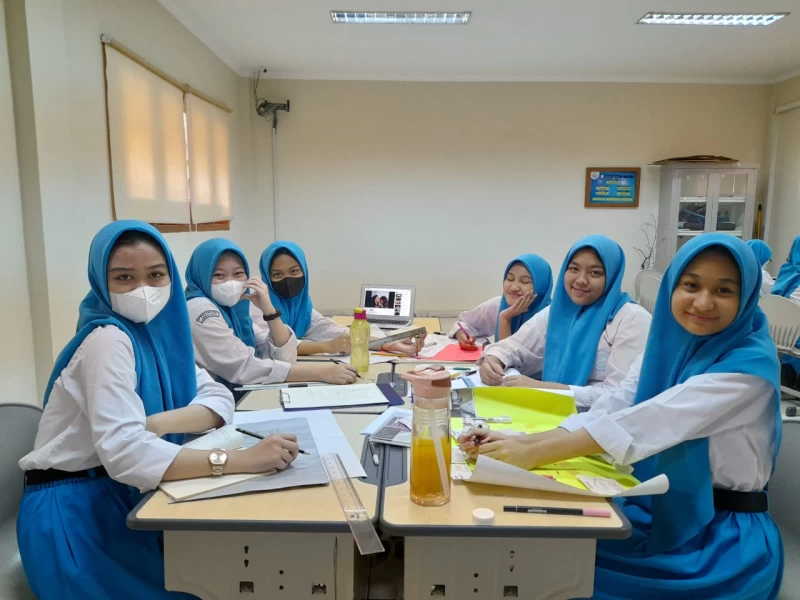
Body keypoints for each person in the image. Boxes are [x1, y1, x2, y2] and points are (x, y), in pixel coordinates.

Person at [460, 233, 782, 599]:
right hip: (663, 508)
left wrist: (531, 453)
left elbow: (650, 421)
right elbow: (617, 402)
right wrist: (521, 441)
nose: (703, 302)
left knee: (549, 568)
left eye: (724, 290)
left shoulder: (748, 369)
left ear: (747, 296)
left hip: (720, 540)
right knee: (533, 545)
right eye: (691, 285)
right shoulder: (673, 342)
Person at [17, 222, 300, 600]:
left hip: (117, 495)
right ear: (101, 283)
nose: (143, 289)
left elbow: (219, 397)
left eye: (155, 275)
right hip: (73, 517)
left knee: (215, 575)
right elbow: (126, 453)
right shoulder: (107, 341)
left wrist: (153, 424)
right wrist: (241, 460)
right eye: (124, 277)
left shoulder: (161, 335)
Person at [479, 235, 651, 410]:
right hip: (550, 412)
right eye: (574, 269)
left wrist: (545, 389)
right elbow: (514, 346)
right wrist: (493, 361)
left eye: (595, 273)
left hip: (597, 421)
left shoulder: (632, 320)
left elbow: (620, 397)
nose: (581, 280)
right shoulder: (558, 312)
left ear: (612, 276)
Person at [185, 239, 358, 387]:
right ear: (201, 275)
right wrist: (320, 372)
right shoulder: (200, 309)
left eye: (238, 273)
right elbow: (243, 367)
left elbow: (283, 356)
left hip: (236, 393)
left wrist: (269, 311)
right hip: (209, 403)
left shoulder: (236, 309)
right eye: (219, 275)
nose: (230, 282)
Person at [253, 241, 424, 356]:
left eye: (294, 271)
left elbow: (333, 331)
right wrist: (326, 347)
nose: (287, 279)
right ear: (267, 277)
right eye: (277, 274)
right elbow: (275, 347)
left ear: (304, 271)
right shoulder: (257, 305)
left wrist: (387, 343)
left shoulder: (301, 307)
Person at [448, 254, 552, 347]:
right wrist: (462, 335)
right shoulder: (499, 305)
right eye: (510, 279)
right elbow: (465, 323)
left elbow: (506, 357)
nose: (514, 288)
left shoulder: (549, 318)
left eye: (524, 282)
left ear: (541, 287)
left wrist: (505, 319)